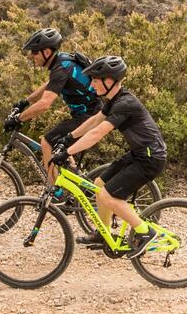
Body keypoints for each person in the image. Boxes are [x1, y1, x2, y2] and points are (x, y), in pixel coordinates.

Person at [49, 55, 166, 255]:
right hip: (139, 154)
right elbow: (95, 120)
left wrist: (68, 152)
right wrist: (69, 137)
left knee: (108, 196)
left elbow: (98, 132)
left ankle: (145, 231)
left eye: (95, 80)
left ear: (109, 81)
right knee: (99, 185)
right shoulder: (115, 100)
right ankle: (103, 233)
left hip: (150, 159)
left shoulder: (125, 103)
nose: (92, 85)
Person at [4, 28, 98, 182]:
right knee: (61, 145)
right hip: (87, 115)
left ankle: (54, 192)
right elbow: (49, 85)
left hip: (90, 118)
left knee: (47, 142)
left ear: (46, 52)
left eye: (35, 52)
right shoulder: (62, 61)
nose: (31, 56)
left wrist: (19, 119)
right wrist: (24, 102)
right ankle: (75, 183)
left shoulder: (61, 68)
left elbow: (45, 104)